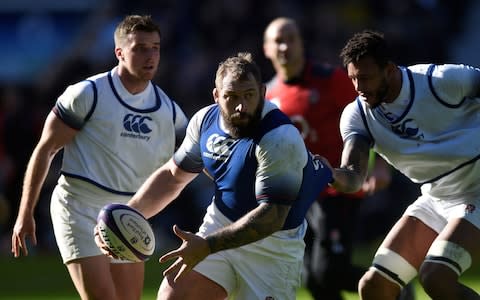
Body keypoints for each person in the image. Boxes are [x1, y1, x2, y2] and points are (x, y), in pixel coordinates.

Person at [95, 52, 334, 299]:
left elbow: (271, 217)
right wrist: (124, 217)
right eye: (231, 97)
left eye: (249, 95)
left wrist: (207, 246)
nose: (241, 106)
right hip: (220, 224)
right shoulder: (204, 121)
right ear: (217, 96)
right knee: (173, 295)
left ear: (263, 93)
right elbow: (173, 176)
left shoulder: (280, 138)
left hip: (272, 247)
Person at [11, 15, 188, 300]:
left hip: (128, 212)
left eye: (155, 47)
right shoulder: (87, 94)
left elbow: (187, 164)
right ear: (119, 52)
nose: (150, 55)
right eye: (140, 48)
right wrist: (25, 212)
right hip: (78, 207)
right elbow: (46, 149)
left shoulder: (169, 111)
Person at [332, 29, 480, 300]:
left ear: (388, 69)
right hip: (436, 197)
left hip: (477, 190)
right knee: (374, 287)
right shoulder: (357, 115)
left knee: (436, 277)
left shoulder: (439, 80)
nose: (358, 88)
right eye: (352, 78)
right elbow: (353, 177)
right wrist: (326, 174)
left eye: (365, 78)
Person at [262, 17, 394, 300]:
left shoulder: (331, 80)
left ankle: (393, 288)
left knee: (328, 271)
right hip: (297, 198)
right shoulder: (267, 94)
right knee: (312, 277)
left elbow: (370, 117)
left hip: (338, 190)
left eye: (291, 38)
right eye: (278, 40)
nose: (285, 46)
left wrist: (379, 164)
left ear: (301, 43)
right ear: (266, 49)